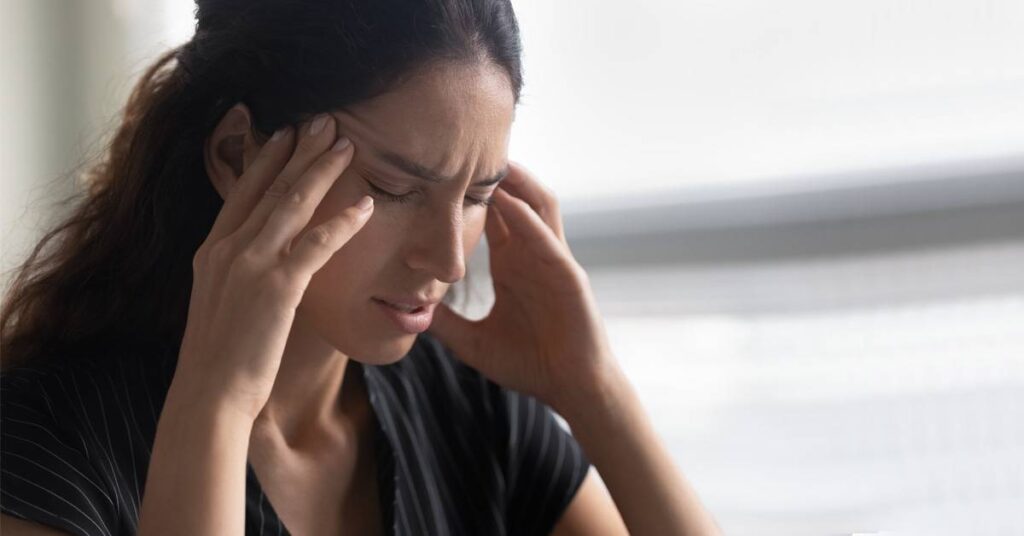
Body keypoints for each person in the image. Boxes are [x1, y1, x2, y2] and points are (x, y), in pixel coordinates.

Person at [0, 0, 721, 534]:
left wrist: (593, 391)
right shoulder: (45, 444)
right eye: (393, 188)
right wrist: (215, 407)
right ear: (238, 155)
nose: (445, 257)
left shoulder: (473, 412)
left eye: (477, 195)